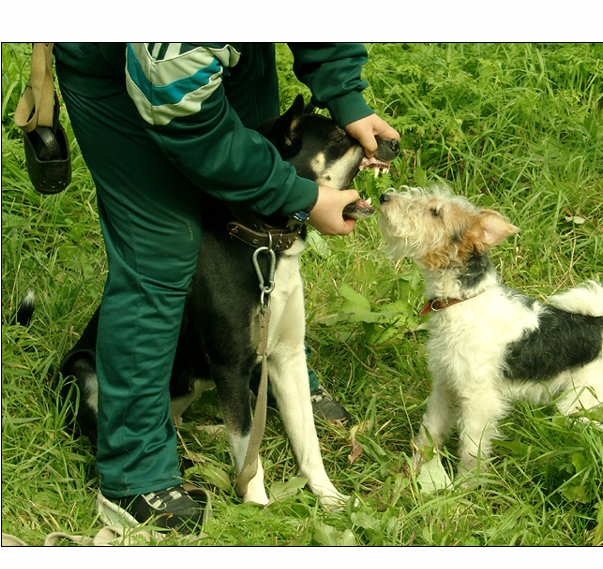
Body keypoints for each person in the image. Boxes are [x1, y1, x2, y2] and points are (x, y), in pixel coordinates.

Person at [52, 43, 399, 534]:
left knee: (254, 194)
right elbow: (192, 118)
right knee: (163, 247)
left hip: (229, 56)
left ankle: (260, 358)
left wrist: (347, 97)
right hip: (139, 68)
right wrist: (302, 196)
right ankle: (133, 475)